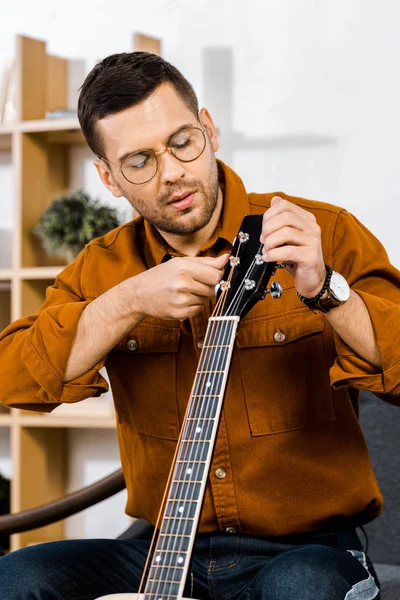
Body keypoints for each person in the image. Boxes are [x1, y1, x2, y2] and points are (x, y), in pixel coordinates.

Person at [0, 51, 399, 600]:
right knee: (17, 578)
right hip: (163, 549)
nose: (171, 174)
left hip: (309, 548)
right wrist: (126, 302)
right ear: (109, 177)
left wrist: (326, 289)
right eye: (138, 161)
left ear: (208, 130)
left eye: (182, 142)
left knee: (301, 587)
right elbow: (12, 377)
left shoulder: (319, 231)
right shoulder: (104, 267)